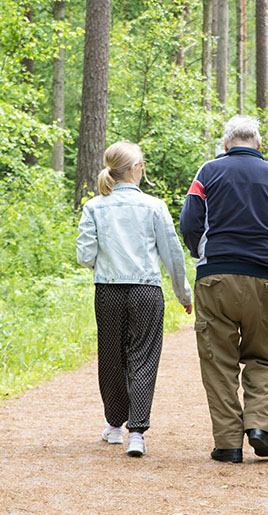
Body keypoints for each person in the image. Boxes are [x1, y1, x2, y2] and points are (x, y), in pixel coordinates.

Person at [179, 115, 268, 463]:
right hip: (264, 280)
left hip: (215, 278)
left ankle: (228, 444)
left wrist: (201, 253)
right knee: (263, 355)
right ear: (259, 144)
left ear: (225, 145)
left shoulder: (207, 173)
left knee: (218, 361)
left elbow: (189, 223)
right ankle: (259, 426)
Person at [76, 141, 193, 458]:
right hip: (146, 291)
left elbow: (85, 256)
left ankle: (114, 426)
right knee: (143, 357)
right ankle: (137, 433)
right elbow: (172, 256)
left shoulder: (95, 207)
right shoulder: (154, 206)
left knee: (111, 357)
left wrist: (105, 259)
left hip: (109, 291)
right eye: (141, 165)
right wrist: (183, 294)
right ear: (133, 169)